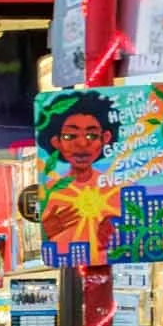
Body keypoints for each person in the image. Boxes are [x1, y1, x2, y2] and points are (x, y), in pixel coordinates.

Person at [37, 91, 120, 266]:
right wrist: (46, 232)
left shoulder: (119, 189)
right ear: (56, 142)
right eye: (70, 136)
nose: (82, 144)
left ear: (105, 138)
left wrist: (120, 235)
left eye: (92, 135)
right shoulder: (49, 192)